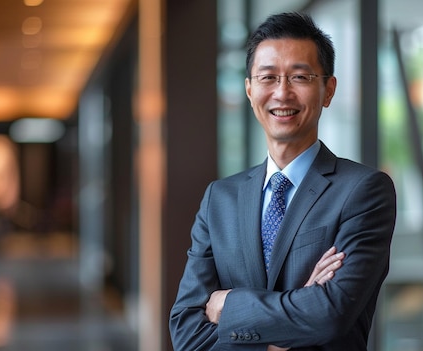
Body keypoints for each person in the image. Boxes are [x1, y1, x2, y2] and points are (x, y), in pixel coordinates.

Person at [169, 12, 396, 351]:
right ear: (249, 90)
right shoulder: (220, 198)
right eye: (268, 77)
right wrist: (288, 325)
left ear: (328, 89)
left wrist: (227, 307)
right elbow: (186, 332)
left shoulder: (363, 191)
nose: (282, 93)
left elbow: (330, 315)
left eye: (300, 77)